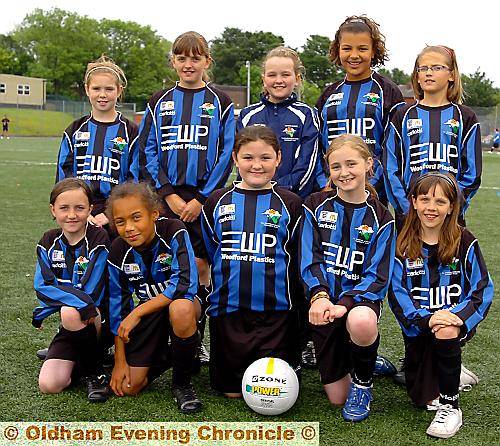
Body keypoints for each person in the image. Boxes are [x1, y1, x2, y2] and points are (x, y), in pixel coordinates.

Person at [133, 31, 235, 361]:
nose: (188, 64)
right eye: (181, 58)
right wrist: (168, 195)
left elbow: (226, 151)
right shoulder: (158, 101)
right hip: (165, 197)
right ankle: (161, 336)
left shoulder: (221, 101)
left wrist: (202, 198)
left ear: (207, 61)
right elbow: (148, 149)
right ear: (173, 61)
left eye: (195, 58)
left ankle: (197, 338)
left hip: (203, 199)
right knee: (164, 264)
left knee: (202, 265)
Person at [388, 173, 493, 439]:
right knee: (420, 396)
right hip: (419, 327)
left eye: (440, 201)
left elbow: (482, 289)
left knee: (445, 333)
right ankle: (451, 370)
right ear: (413, 202)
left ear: (451, 207)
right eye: (424, 199)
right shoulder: (402, 243)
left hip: (452, 325)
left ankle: (451, 407)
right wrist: (426, 319)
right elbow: (397, 294)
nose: (431, 208)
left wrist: (457, 318)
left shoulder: (465, 241)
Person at [201, 126, 302, 397]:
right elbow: (212, 250)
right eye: (248, 158)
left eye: (265, 158)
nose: (256, 165)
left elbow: (295, 257)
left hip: (276, 313)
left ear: (279, 158)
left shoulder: (290, 203)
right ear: (235, 158)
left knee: (272, 390)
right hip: (228, 310)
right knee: (232, 392)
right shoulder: (216, 202)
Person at [300, 134, 395, 422]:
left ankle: (363, 381)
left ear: (368, 164)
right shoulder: (314, 205)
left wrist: (347, 302)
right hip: (322, 304)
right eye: (336, 166)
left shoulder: (382, 217)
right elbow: (309, 257)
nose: (344, 173)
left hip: (357, 303)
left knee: (362, 321)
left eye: (351, 164)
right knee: (336, 398)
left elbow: (378, 275)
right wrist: (320, 295)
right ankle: (361, 355)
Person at [106, 182, 202, 413]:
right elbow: (117, 308)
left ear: (154, 215)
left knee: (180, 309)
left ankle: (182, 384)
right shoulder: (118, 250)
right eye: (120, 222)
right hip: (151, 316)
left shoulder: (173, 230)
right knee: (128, 387)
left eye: (136, 217)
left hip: (181, 305)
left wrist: (137, 312)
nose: (129, 227)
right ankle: (183, 354)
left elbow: (184, 284)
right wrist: (119, 361)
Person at [383, 45, 482, 229]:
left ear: (451, 75)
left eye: (437, 68)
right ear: (417, 76)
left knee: (448, 258)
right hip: (409, 216)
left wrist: (452, 206)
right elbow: (390, 168)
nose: (429, 72)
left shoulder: (465, 117)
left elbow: (473, 173)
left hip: (449, 218)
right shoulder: (402, 116)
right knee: (410, 259)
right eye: (423, 68)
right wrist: (407, 208)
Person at [33, 178, 110, 402]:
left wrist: (49, 305)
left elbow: (91, 292)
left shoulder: (98, 238)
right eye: (64, 208)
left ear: (90, 209)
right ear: (53, 210)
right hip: (73, 323)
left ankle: (94, 374)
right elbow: (42, 286)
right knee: (50, 384)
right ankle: (82, 362)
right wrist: (58, 301)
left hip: (98, 320)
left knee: (70, 311)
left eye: (79, 208)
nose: (72, 215)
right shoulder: (48, 240)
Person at [316, 15, 404, 205]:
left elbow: (393, 148)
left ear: (373, 51)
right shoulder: (328, 95)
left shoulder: (387, 91)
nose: (354, 55)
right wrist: (325, 182)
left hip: (374, 191)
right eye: (347, 48)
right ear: (337, 50)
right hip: (332, 188)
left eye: (362, 49)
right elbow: (318, 146)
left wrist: (371, 181)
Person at [56, 55, 138, 234]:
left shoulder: (131, 131)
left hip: (118, 215)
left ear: (119, 90)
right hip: (79, 214)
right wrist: (78, 211)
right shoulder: (75, 130)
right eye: (96, 88)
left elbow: (136, 177)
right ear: (87, 89)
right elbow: (64, 175)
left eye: (109, 89)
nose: (102, 94)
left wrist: (112, 212)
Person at [237, 46, 319, 198]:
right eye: (272, 75)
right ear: (264, 79)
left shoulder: (306, 114)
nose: (278, 81)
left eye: (285, 75)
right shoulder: (247, 115)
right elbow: (241, 160)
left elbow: (307, 164)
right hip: (252, 196)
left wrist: (280, 189)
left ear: (297, 79)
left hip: (292, 198)